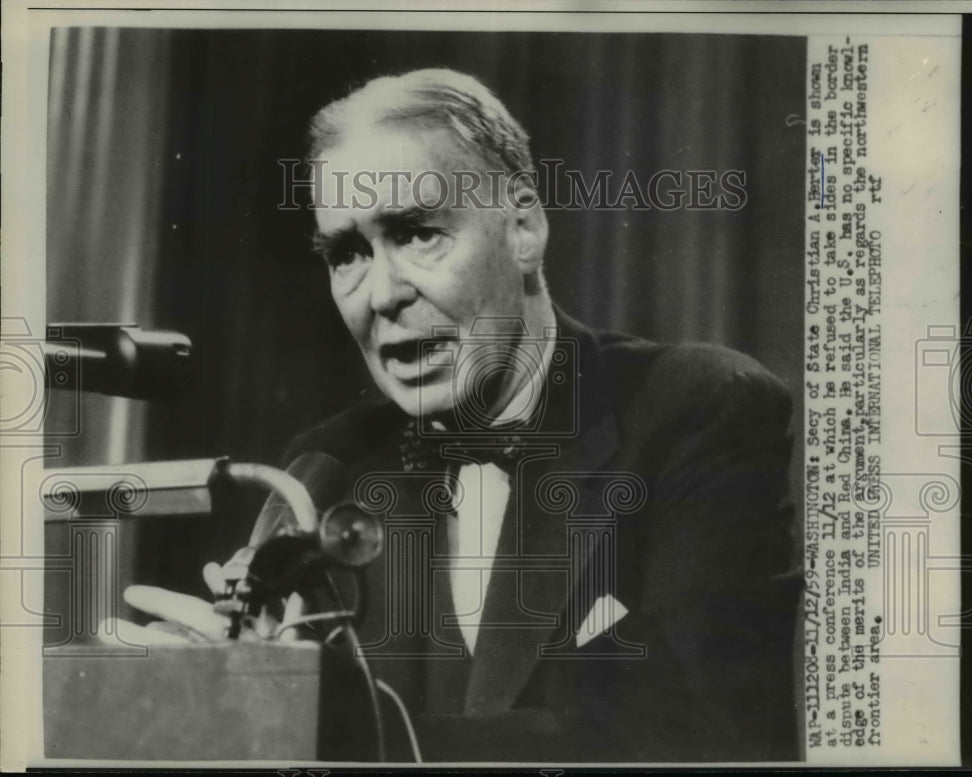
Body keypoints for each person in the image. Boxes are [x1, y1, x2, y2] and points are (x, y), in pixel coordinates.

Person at [114, 68, 802, 763]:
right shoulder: (325, 471)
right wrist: (228, 689)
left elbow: (703, 731)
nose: (380, 295)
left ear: (524, 228)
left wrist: (307, 725)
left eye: (417, 233)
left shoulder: (698, 406)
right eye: (348, 253)